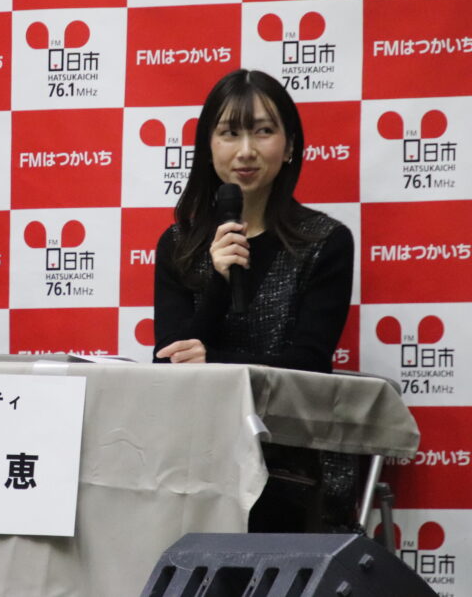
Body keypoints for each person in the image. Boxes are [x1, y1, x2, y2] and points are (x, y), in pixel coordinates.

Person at [151, 69, 356, 532]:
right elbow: (168, 365)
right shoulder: (179, 245)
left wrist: (215, 363)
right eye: (229, 133)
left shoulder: (324, 242)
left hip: (293, 465)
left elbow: (309, 367)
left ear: (289, 146)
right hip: (196, 458)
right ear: (208, 147)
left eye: (263, 131)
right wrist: (219, 283)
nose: (246, 150)